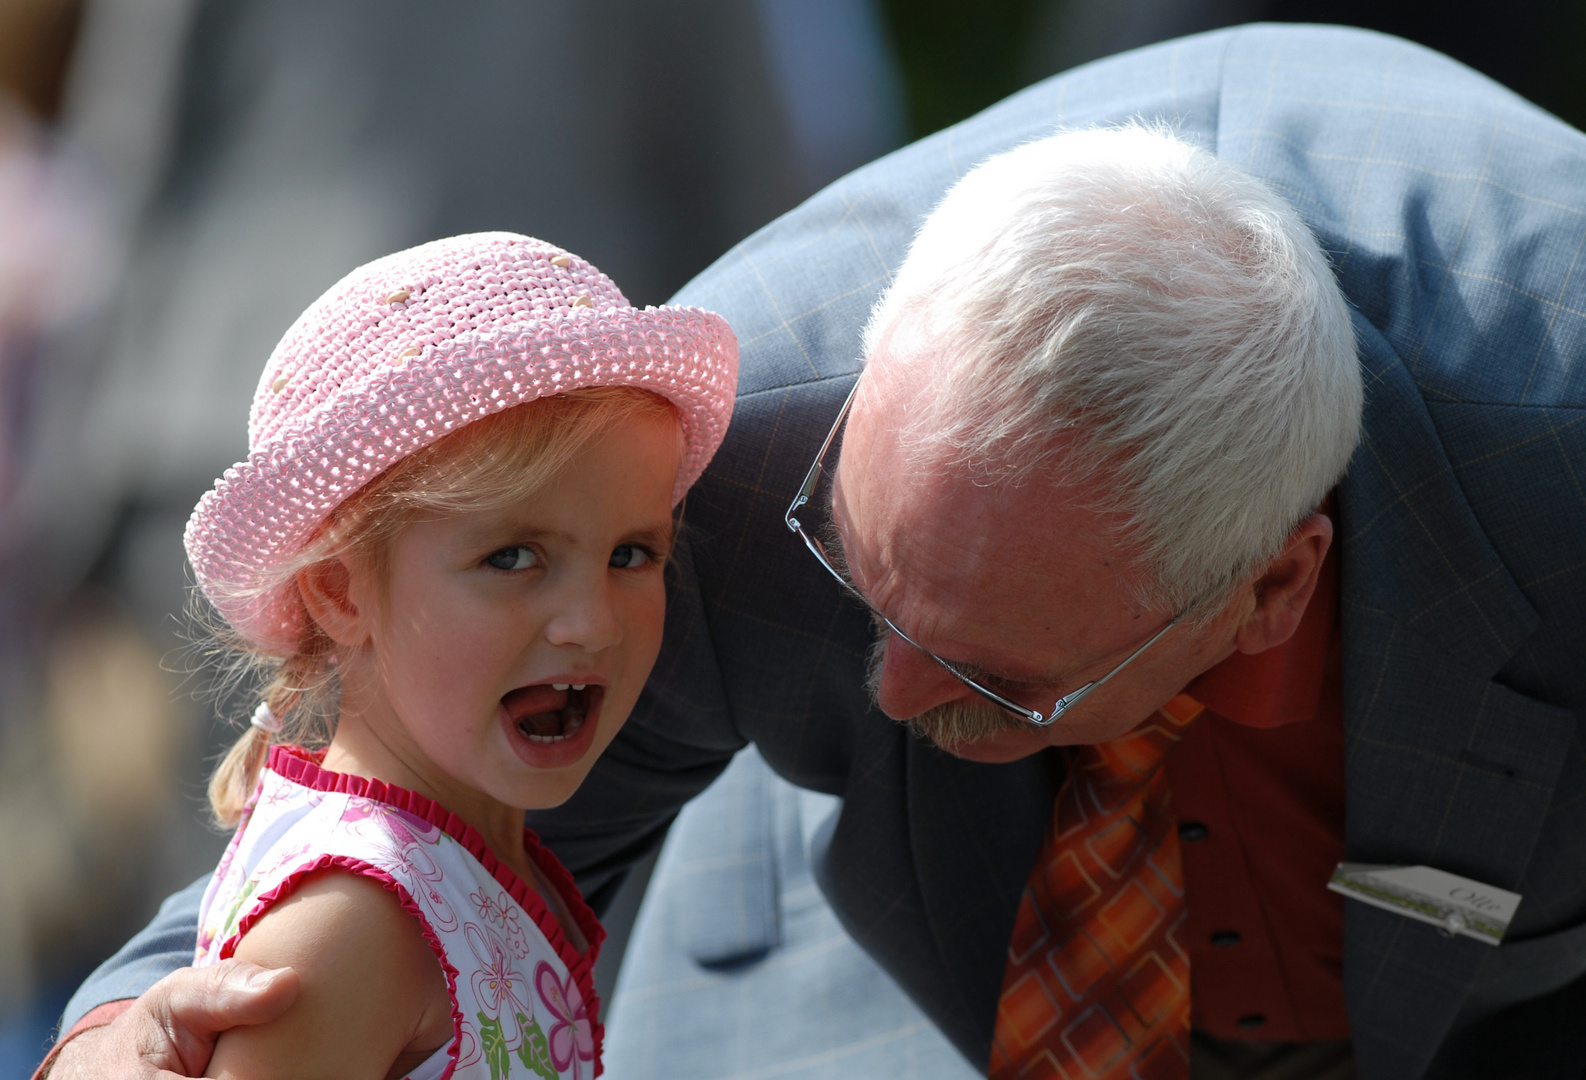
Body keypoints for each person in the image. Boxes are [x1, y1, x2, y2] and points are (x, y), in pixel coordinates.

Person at [40, 23, 1586, 1080]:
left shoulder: (1550, 446)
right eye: (869, 581)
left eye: (995, 676)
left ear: (1269, 591)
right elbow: (383, 845)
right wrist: (117, 1032)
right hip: (850, 978)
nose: (893, 689)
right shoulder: (705, 477)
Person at [43, 231, 737, 1080]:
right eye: (512, 558)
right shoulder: (358, 921)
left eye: (632, 554)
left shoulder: (448, 865)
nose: (590, 622)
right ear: (337, 591)